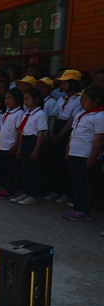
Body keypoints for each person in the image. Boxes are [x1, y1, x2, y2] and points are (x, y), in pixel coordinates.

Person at [63, 86, 104, 221]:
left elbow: (99, 137)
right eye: (81, 99)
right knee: (76, 180)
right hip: (76, 152)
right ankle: (78, 205)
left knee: (85, 183)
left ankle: (85, 209)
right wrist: (68, 149)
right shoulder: (81, 114)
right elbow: (73, 133)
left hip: (86, 154)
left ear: (96, 100)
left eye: (85, 100)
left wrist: (93, 156)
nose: (82, 102)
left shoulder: (99, 115)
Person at [49, 70, 84, 204]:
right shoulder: (60, 99)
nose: (62, 85)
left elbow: (72, 120)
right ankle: (56, 189)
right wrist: (52, 131)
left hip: (67, 131)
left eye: (66, 82)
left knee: (66, 164)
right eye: (62, 83)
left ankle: (67, 192)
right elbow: (53, 116)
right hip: (57, 128)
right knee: (55, 162)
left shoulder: (79, 99)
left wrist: (61, 134)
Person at [11, 88, 48, 206]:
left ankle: (33, 194)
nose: (25, 101)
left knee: (33, 170)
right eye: (24, 99)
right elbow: (22, 131)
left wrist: (36, 149)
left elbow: (41, 133)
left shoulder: (40, 114)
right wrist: (20, 148)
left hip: (34, 141)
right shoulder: (26, 113)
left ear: (36, 99)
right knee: (25, 169)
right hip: (25, 141)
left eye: (28, 99)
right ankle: (25, 191)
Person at [0, 89, 24, 200]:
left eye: (10, 98)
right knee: (5, 168)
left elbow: (19, 131)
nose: (7, 101)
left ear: (17, 100)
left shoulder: (19, 113)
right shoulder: (6, 113)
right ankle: (5, 187)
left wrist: (16, 145)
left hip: (10, 145)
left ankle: (10, 189)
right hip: (3, 144)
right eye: (6, 98)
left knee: (11, 169)